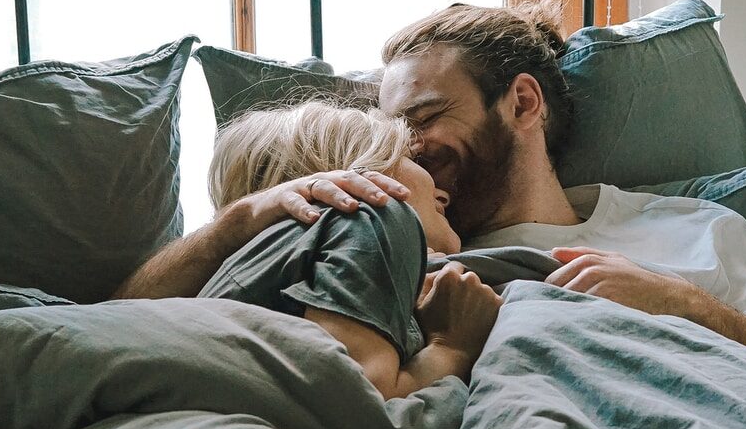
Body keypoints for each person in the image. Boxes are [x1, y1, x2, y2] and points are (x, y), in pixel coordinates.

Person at [377, 0, 746, 408]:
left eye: (425, 117)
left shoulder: (698, 231)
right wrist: (300, 197)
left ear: (523, 103)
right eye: (393, 133)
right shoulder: (401, 247)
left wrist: (682, 303)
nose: (407, 148)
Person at [116, 100, 501, 402]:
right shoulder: (367, 219)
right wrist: (453, 348)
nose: (441, 189)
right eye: (411, 160)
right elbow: (368, 411)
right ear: (357, 170)